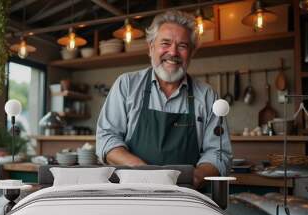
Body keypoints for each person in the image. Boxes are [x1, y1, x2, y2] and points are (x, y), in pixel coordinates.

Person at [96, 10, 232, 189]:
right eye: (165, 43)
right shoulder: (127, 85)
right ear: (151, 47)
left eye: (182, 46)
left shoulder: (207, 96)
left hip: (187, 195)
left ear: (191, 53)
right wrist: (144, 172)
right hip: (131, 190)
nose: (173, 52)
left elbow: (219, 151)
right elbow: (107, 138)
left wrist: (198, 176)